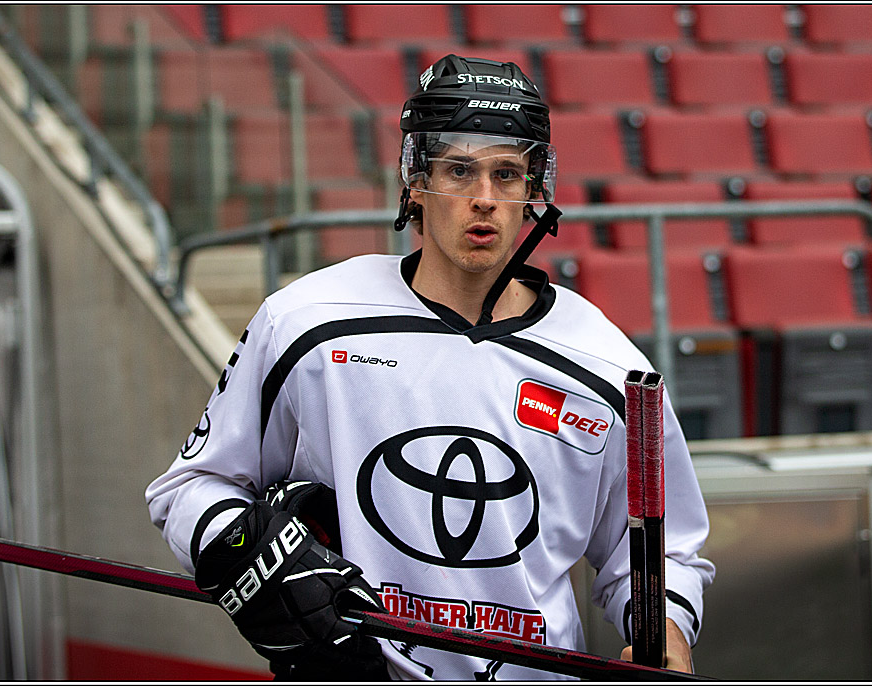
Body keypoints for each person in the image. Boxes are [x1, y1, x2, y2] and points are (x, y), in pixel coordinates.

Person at [146, 54, 714, 680]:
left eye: (507, 174)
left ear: (535, 190)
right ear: (415, 179)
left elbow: (661, 552)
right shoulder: (306, 322)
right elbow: (189, 489)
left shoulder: (608, 368)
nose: (484, 200)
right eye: (458, 171)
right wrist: (249, 554)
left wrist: (666, 639)